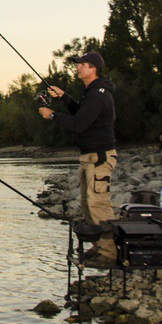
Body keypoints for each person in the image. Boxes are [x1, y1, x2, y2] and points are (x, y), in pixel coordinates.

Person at [38, 52, 118, 264]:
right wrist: (63, 96)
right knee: (88, 203)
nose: (78, 68)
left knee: (98, 204)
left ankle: (109, 253)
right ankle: (100, 247)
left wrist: (52, 115)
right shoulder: (91, 92)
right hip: (91, 156)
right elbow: (81, 113)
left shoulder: (97, 94)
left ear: (93, 69)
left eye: (82, 65)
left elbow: (78, 124)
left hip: (99, 157)